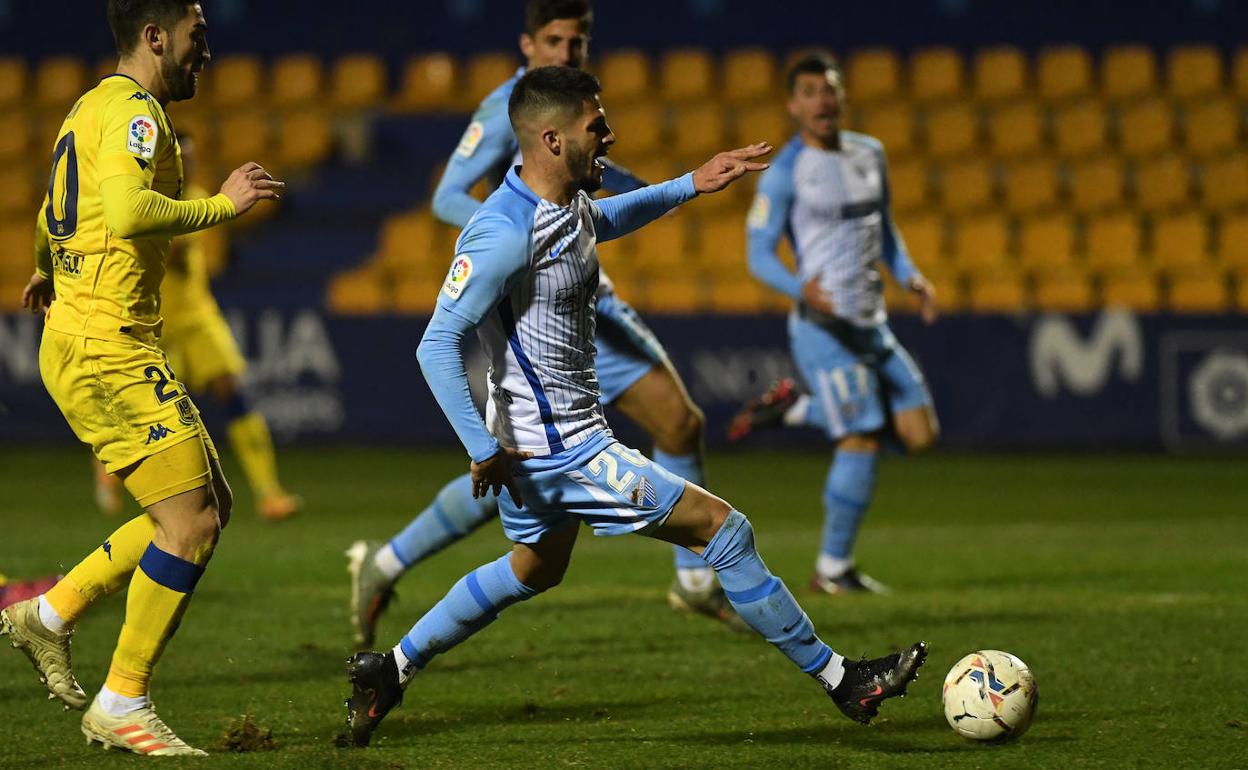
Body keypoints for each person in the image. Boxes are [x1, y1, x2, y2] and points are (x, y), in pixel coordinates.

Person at [343, 65, 926, 747]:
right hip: (564, 452)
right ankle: (844, 682)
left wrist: (691, 183)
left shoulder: (562, 206)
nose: (610, 135)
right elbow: (436, 344)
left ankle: (390, 669)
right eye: (597, 126)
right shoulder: (501, 231)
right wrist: (480, 446)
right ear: (554, 139)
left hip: (543, 447)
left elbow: (603, 219)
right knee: (724, 530)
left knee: (533, 568)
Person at [346, 0, 737, 650]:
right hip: (537, 300)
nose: (565, 53)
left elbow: (599, 192)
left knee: (673, 423)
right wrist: (516, 244)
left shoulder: (582, 107)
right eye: (553, 40)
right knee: (528, 461)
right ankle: (387, 563)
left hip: (584, 293)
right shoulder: (513, 105)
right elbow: (447, 194)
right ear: (527, 44)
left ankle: (693, 578)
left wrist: (670, 189)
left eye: (577, 41)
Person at [0, 0, 281, 756]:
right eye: (197, 38)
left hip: (96, 337)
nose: (206, 52)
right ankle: (121, 700)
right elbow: (124, 211)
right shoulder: (136, 113)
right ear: (156, 38)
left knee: (202, 505)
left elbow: (56, 206)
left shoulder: (87, 105)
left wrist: (40, 265)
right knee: (191, 524)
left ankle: (50, 614)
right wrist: (224, 203)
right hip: (106, 346)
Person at [730, 52, 939, 594]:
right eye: (810, 92)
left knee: (919, 435)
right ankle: (832, 570)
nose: (823, 100)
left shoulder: (871, 152)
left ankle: (794, 407)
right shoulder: (786, 173)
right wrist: (803, 290)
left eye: (830, 90)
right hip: (822, 327)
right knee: (861, 437)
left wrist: (912, 278)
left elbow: (885, 231)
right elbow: (757, 256)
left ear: (842, 98)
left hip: (871, 319)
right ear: (793, 105)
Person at [92, 131, 301, 521]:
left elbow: (189, 257)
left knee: (232, 391)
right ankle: (110, 469)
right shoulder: (138, 204)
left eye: (190, 155)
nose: (187, 163)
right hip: (155, 322)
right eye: (179, 156)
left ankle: (269, 492)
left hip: (199, 316)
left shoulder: (201, 195)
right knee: (148, 412)